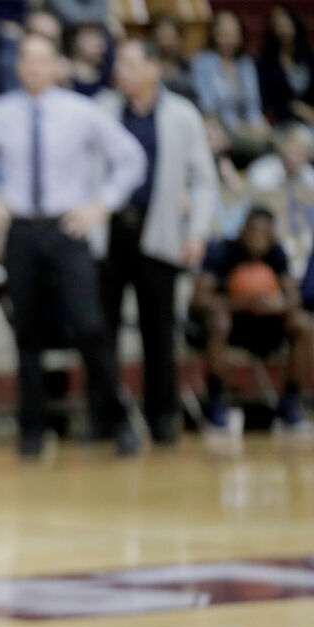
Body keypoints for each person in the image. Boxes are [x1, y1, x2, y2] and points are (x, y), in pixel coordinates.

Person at [0, 34, 147, 457]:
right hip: (21, 230)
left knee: (90, 326)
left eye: (43, 60)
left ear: (58, 65)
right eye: (27, 60)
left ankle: (118, 418)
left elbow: (130, 157)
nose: (35, 68)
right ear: (19, 66)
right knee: (27, 333)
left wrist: (103, 205)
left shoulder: (81, 112)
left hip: (68, 229)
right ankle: (32, 432)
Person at [95, 39, 218, 445]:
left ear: (154, 68)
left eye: (130, 63)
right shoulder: (102, 108)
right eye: (119, 63)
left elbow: (204, 179)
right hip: (110, 231)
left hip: (160, 231)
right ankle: (107, 419)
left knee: (159, 331)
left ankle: (163, 418)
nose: (122, 70)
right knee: (102, 330)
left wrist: (196, 232)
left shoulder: (182, 115)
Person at [190, 206, 311, 430]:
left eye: (265, 234)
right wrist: (243, 302)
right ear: (242, 230)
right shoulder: (221, 251)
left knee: (303, 324)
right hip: (232, 327)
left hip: (266, 326)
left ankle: (289, 404)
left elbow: (294, 298)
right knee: (218, 321)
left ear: (272, 236)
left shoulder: (276, 253)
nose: (258, 239)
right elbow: (198, 300)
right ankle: (216, 402)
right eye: (254, 231)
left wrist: (277, 306)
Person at [191, 9, 269, 147]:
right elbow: (208, 106)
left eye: (233, 34)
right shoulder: (202, 63)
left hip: (247, 127)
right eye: (223, 33)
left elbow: (253, 105)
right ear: (214, 34)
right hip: (218, 127)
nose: (228, 39)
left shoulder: (245, 63)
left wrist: (257, 124)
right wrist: (240, 126)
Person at [257, 4, 314, 127]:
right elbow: (267, 101)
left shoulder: (309, 58)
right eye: (278, 25)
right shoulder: (266, 61)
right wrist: (293, 107)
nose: (283, 29)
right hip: (285, 122)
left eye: (286, 24)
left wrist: (308, 112)